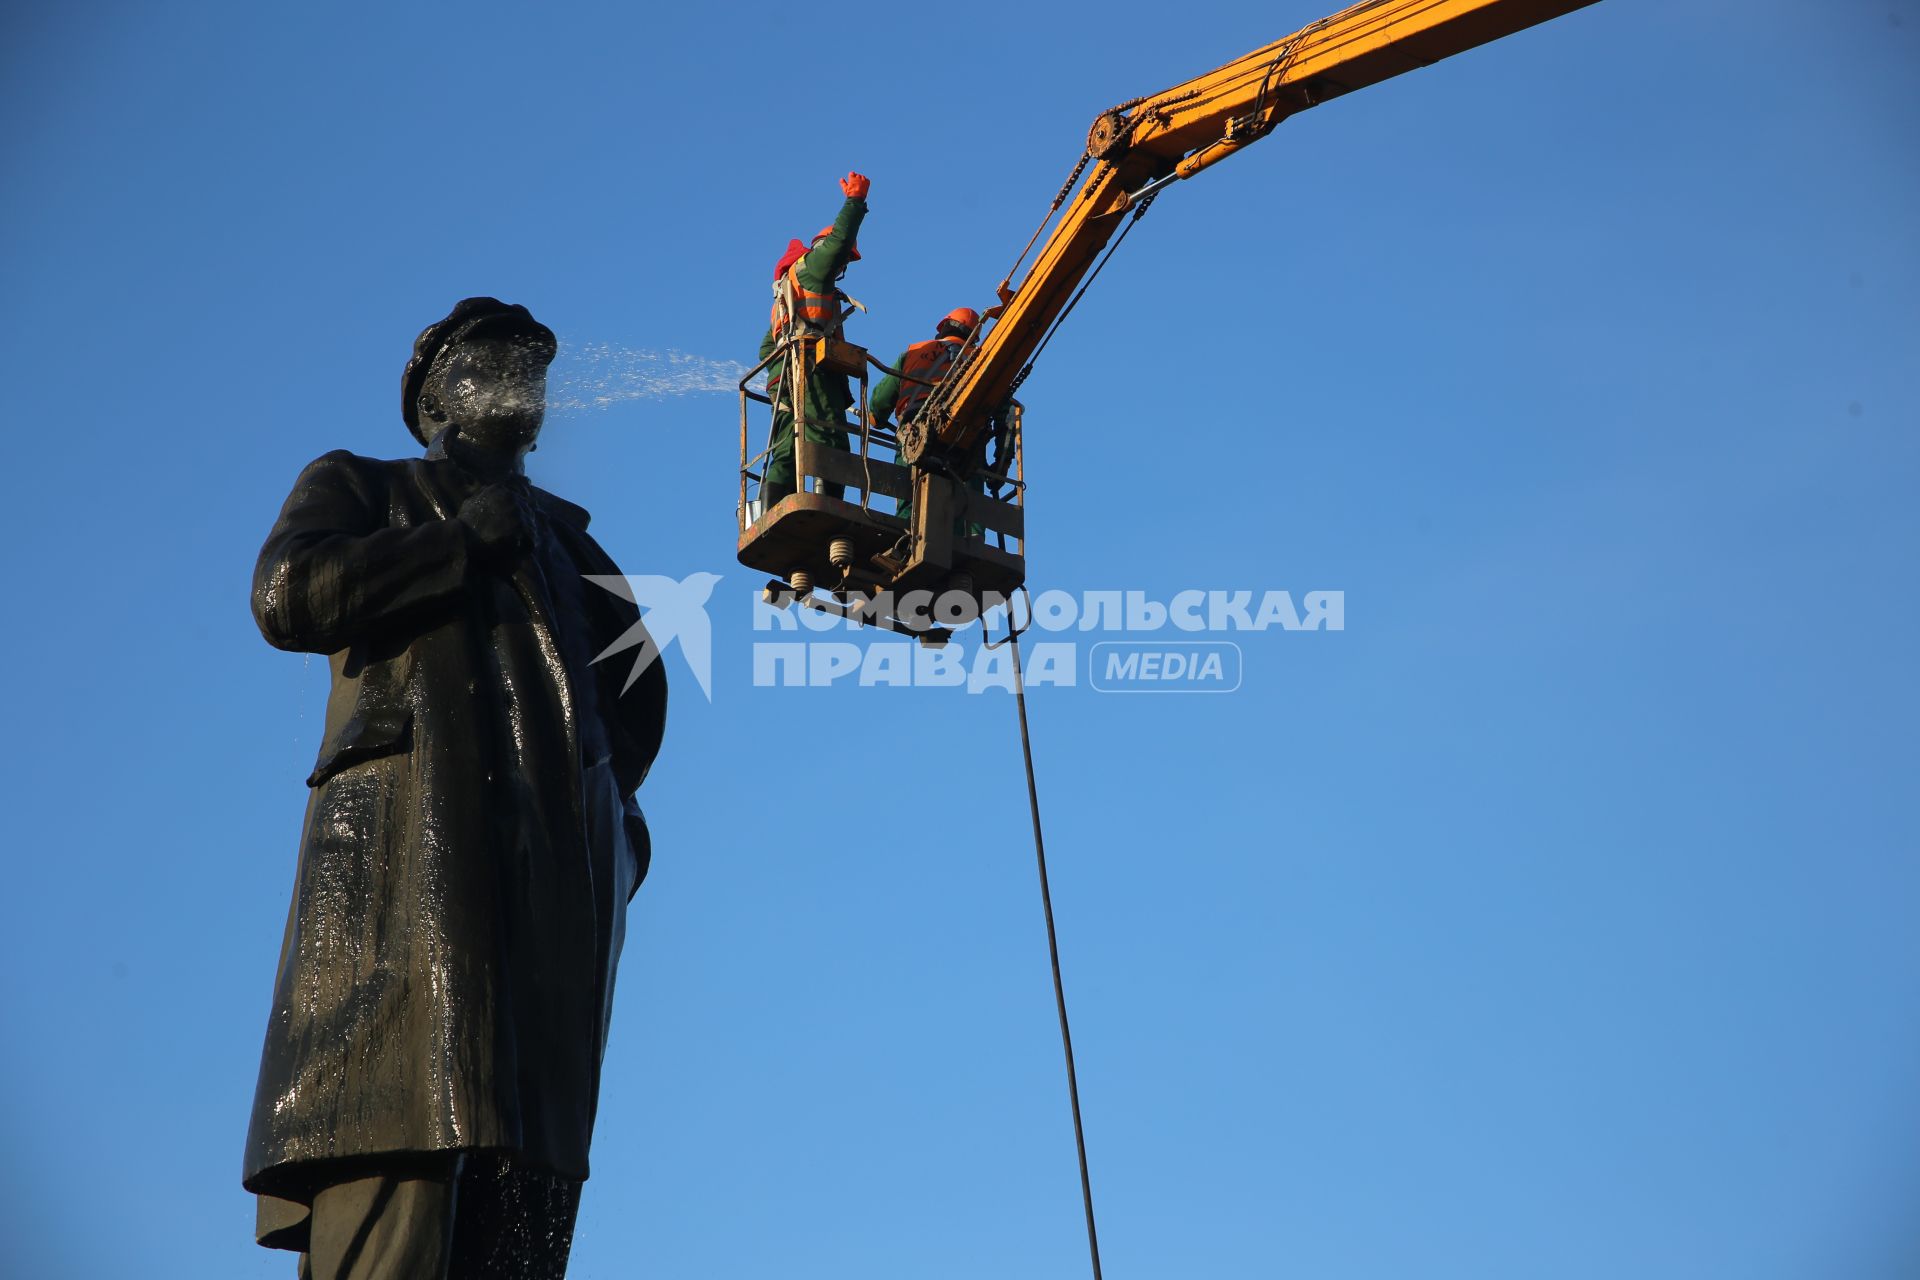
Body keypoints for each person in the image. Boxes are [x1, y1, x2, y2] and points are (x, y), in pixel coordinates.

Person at [242, 297, 668, 1280]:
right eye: (494, 357)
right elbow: (286, 593)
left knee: (524, 1217)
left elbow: (638, 711)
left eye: (534, 364)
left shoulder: (579, 552)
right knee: (398, 1173)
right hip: (409, 904)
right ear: (439, 392)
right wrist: (456, 545)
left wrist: (614, 833)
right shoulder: (367, 485)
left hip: (553, 936)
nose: (525, 376)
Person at [757, 170, 869, 508]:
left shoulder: (786, 296)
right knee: (829, 436)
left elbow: (766, 348)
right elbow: (837, 243)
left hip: (787, 377)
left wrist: (780, 379)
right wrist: (855, 202)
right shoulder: (814, 268)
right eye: (843, 259)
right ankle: (829, 506)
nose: (842, 266)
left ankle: (770, 508)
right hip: (811, 372)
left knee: (788, 444)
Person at [868, 306, 983, 530]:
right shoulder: (980, 360)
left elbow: (880, 401)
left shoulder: (915, 351)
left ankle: (906, 538)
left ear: (943, 326)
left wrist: (877, 417)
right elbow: (1001, 409)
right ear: (974, 339)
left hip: (916, 431)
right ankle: (967, 543)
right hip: (962, 438)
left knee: (909, 493)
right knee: (965, 498)